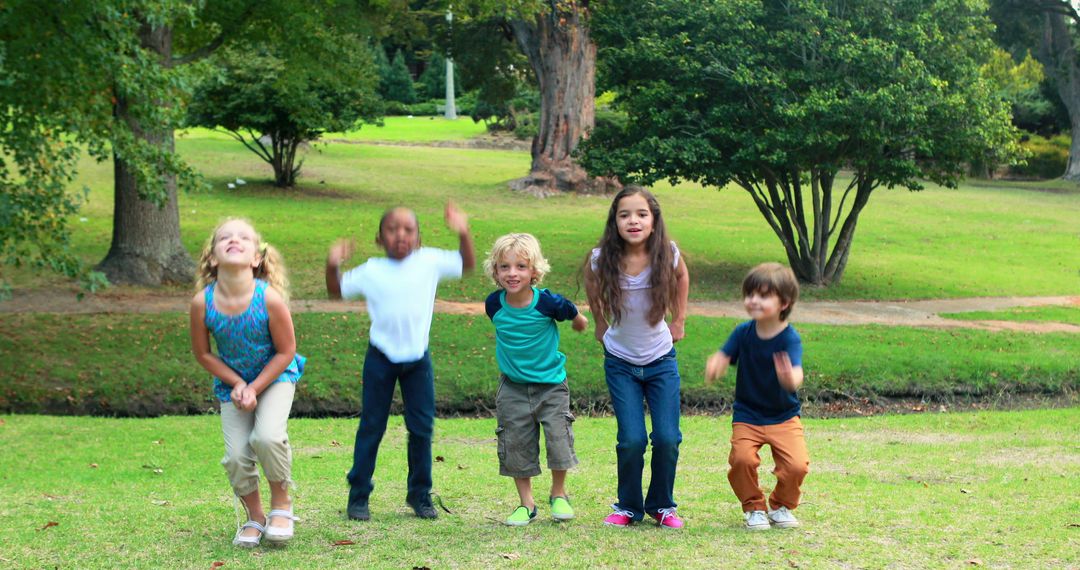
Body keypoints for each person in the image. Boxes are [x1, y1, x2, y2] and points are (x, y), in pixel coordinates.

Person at [326, 203, 474, 521]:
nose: (401, 235)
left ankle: (420, 495)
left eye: (408, 230)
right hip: (380, 358)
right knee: (372, 427)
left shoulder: (430, 261)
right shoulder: (371, 270)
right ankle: (359, 495)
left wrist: (463, 231)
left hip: (417, 361)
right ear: (380, 238)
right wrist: (332, 264)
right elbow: (337, 291)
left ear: (419, 238)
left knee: (421, 429)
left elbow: (466, 264)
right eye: (393, 229)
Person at [189, 218, 305, 547]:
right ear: (212, 258)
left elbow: (287, 351)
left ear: (256, 258)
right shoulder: (202, 303)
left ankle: (281, 504)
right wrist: (239, 383)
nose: (234, 240)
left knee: (267, 437)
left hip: (276, 375)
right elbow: (203, 354)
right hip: (233, 384)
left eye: (243, 238)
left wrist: (254, 387)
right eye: (225, 237)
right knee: (236, 455)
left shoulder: (269, 299)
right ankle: (256, 517)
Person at [584, 185, 690, 529]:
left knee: (667, 438)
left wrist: (679, 319)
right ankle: (628, 506)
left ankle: (662, 506)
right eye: (624, 214)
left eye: (642, 214)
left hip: (661, 360)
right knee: (631, 439)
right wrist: (600, 321)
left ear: (654, 221)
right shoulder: (602, 257)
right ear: (614, 221)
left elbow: (682, 276)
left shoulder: (668, 254)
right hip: (620, 362)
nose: (633, 221)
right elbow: (589, 279)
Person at [483, 233, 589, 526]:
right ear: (496, 271)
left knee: (558, 440)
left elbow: (568, 309)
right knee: (515, 443)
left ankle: (559, 494)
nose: (512, 273)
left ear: (534, 271)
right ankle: (525, 504)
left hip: (551, 385)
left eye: (520, 266)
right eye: (504, 267)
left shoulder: (547, 303)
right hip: (513, 388)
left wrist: (579, 320)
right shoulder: (494, 304)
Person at [704, 262, 809, 531]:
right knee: (741, 460)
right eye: (750, 294)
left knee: (796, 466)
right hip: (748, 415)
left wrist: (789, 378)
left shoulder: (789, 338)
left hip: (783, 416)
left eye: (763, 295)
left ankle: (780, 505)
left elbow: (797, 374)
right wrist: (717, 363)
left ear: (784, 302)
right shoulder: (743, 332)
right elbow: (724, 355)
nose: (753, 300)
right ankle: (754, 507)